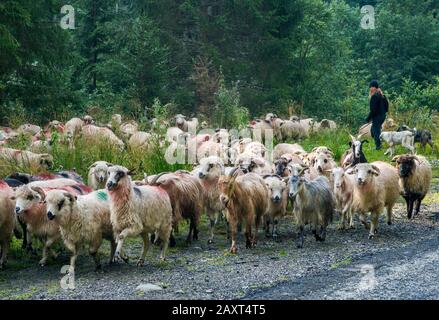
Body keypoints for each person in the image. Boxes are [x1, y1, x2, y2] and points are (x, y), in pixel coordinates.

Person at [366, 80, 387, 150]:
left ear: (374, 88)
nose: (370, 88)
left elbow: (373, 110)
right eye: (370, 87)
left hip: (377, 117)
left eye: (371, 87)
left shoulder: (374, 97)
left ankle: (378, 146)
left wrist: (368, 118)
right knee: (374, 131)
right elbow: (387, 106)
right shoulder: (382, 95)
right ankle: (380, 141)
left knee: (375, 131)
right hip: (382, 116)